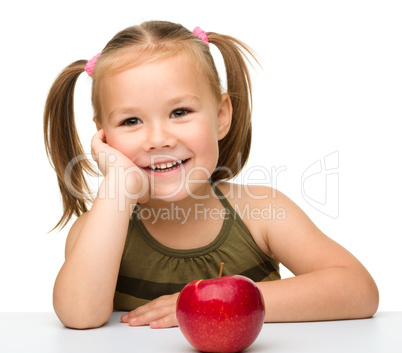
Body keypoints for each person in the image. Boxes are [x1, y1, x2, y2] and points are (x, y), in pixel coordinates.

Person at [44, 20, 379, 330]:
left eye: (180, 112)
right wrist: (117, 185)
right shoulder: (101, 227)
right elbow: (79, 314)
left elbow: (358, 289)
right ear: (104, 137)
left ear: (220, 116)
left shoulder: (259, 211)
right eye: (130, 121)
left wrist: (212, 303)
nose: (158, 139)